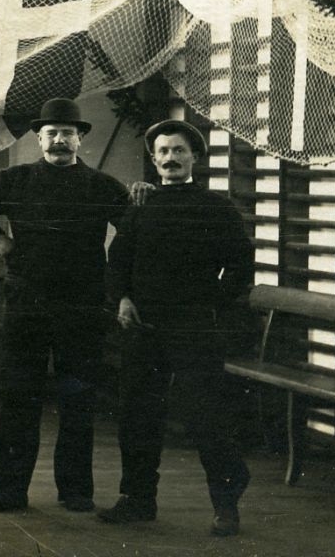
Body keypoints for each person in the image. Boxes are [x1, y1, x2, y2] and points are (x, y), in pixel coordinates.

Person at [0, 96, 132, 514]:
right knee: (19, 397)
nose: (59, 140)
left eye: (67, 133)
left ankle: (76, 491)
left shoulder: (102, 186)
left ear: (80, 138)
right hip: (27, 304)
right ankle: (9, 490)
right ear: (39, 138)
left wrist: (115, 273)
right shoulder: (16, 179)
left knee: (78, 399)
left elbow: (134, 230)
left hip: (82, 306)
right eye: (51, 133)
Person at [99, 118, 255, 537]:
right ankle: (137, 499)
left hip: (194, 329)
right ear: (154, 161)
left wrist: (211, 303)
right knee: (137, 413)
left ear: (194, 158)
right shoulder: (140, 206)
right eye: (163, 152)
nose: (171, 158)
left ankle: (226, 503)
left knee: (205, 415)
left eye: (179, 151)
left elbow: (241, 266)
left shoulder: (216, 208)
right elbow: (118, 261)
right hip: (144, 327)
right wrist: (123, 298)